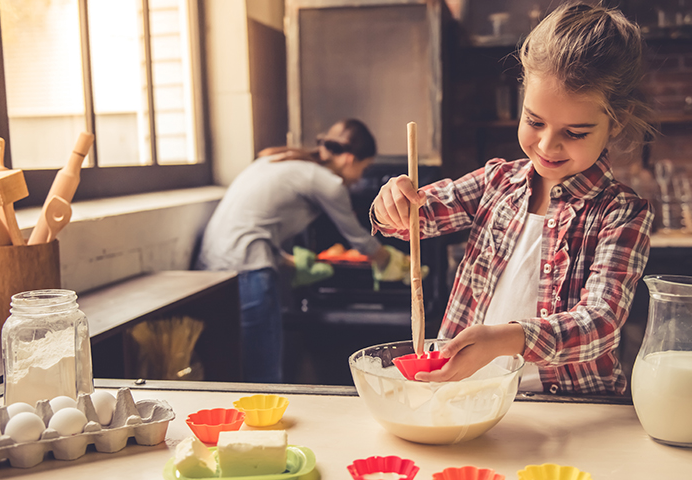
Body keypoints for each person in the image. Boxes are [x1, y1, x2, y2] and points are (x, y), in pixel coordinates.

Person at [371, 3, 655, 395]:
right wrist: (392, 204)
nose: (547, 144)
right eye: (534, 121)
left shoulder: (621, 213)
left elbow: (600, 324)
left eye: (574, 132)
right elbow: (417, 215)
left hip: (570, 410)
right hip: (470, 396)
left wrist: (507, 339)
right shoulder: (498, 181)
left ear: (616, 122)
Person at [196, 118, 405, 383]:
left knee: (227, 367)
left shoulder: (278, 161)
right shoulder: (328, 182)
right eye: (364, 168)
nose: (361, 177)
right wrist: (397, 262)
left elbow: (253, 223)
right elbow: (359, 239)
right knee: (264, 372)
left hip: (209, 267)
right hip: (249, 271)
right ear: (350, 159)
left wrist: (289, 261)